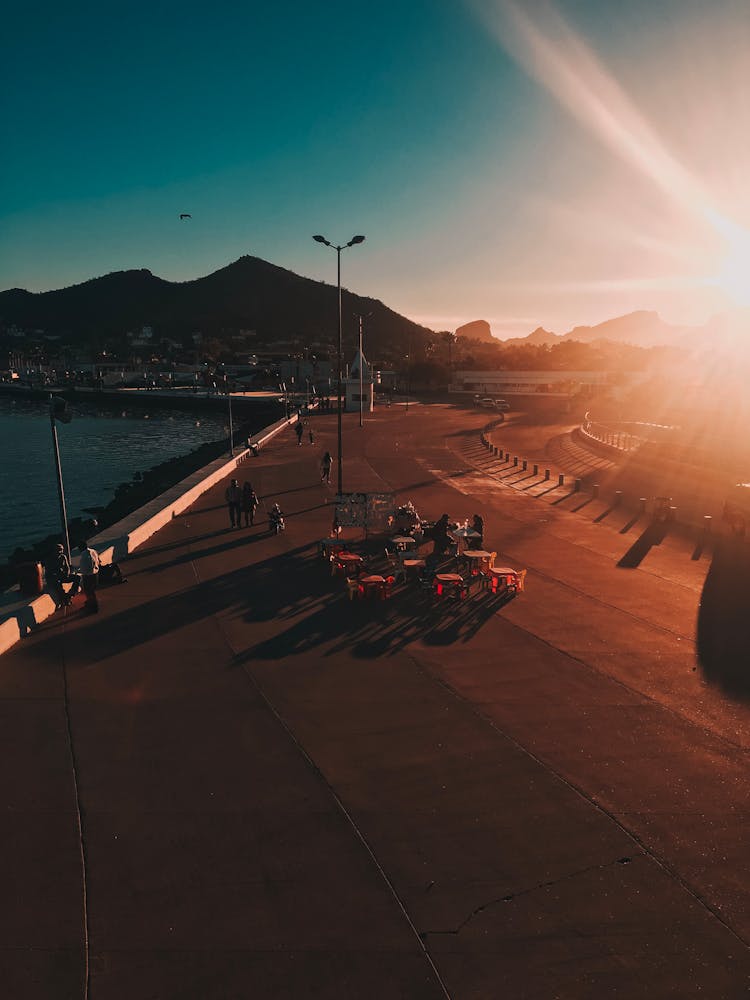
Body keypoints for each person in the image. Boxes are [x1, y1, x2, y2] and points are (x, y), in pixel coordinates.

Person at [46, 543, 80, 608]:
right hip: (54, 578)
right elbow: (49, 572)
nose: (60, 552)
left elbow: (67, 567)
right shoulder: (49, 559)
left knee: (77, 577)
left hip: (62, 576)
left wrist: (67, 574)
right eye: (58, 550)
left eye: (61, 550)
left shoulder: (63, 557)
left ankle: (71, 593)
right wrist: (57, 576)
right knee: (58, 585)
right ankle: (65, 599)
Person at [78, 542, 101, 613]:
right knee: (92, 591)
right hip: (95, 574)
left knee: (89, 592)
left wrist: (80, 572)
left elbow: (86, 567)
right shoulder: (93, 551)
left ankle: (93, 607)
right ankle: (92, 606)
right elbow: (98, 561)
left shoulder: (84, 555)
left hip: (88, 576)